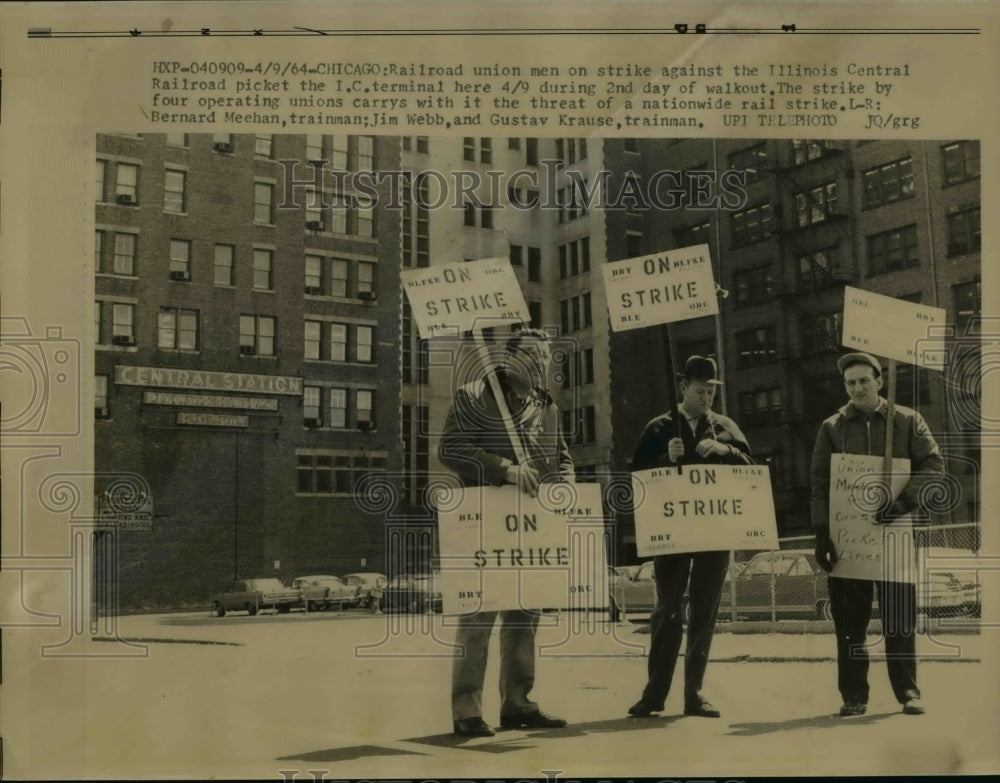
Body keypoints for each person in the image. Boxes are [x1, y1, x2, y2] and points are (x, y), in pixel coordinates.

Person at [438, 328, 575, 737]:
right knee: (478, 620)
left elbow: (560, 456)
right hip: (485, 528)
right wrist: (506, 469)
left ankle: (518, 703)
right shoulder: (472, 396)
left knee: (525, 617)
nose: (539, 362)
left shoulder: (545, 406)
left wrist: (564, 482)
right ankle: (467, 710)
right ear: (508, 358)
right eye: (530, 354)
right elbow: (450, 450)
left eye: (545, 356)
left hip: (531, 529)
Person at [811, 352, 944, 717]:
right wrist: (822, 533)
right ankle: (854, 695)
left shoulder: (906, 421)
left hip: (896, 534)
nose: (857, 388)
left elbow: (934, 465)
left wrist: (901, 503)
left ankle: (908, 692)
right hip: (848, 540)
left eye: (863, 381)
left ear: (879, 381)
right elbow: (820, 481)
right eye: (850, 383)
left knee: (900, 619)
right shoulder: (832, 427)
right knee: (850, 624)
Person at [627, 355, 753, 719]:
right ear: (683, 388)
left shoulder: (726, 427)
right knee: (667, 610)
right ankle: (654, 695)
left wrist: (726, 450)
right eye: (700, 391)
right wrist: (665, 459)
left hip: (715, 533)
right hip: (674, 535)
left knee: (705, 610)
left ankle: (694, 694)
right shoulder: (660, 427)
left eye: (712, 392)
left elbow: (752, 469)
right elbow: (636, 478)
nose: (706, 398)